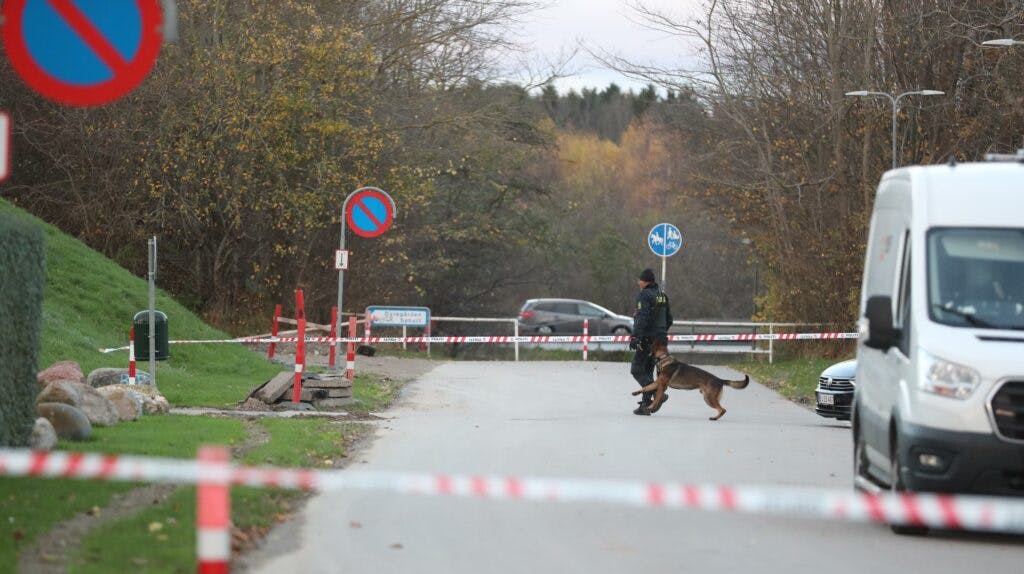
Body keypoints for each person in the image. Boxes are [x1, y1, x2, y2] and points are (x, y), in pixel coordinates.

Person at [629, 268, 673, 415]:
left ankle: (657, 392)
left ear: (645, 281)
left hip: (648, 340)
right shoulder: (663, 296)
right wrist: (660, 332)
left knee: (636, 369)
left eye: (639, 279)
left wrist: (635, 337)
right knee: (647, 369)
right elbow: (669, 319)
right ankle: (646, 405)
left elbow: (642, 318)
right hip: (661, 340)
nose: (638, 282)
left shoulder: (644, 295)